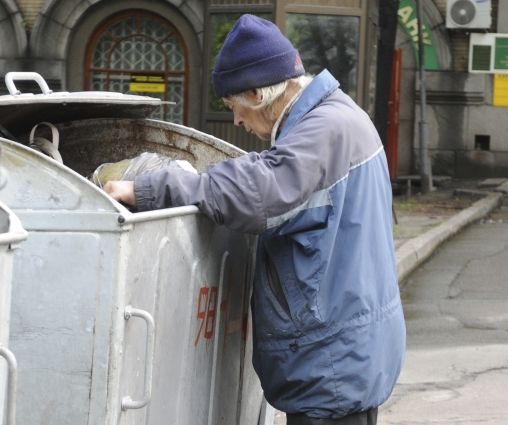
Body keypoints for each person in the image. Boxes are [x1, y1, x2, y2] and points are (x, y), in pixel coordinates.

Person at [103, 14, 405, 425]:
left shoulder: (325, 130)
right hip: (346, 349)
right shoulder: (341, 117)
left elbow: (259, 191)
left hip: (330, 359)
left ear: (258, 93)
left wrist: (147, 190)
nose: (238, 121)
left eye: (234, 107)